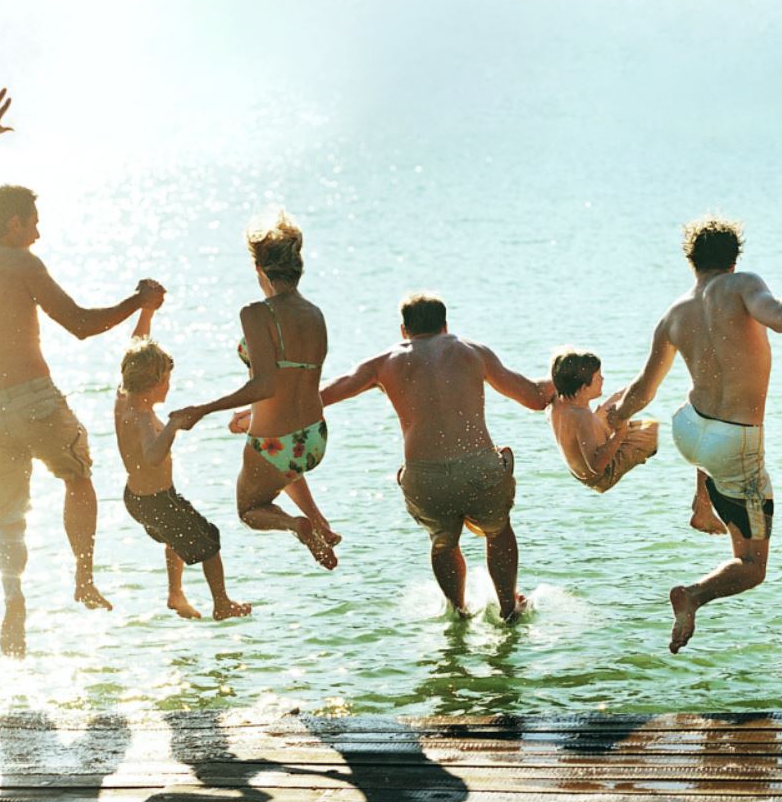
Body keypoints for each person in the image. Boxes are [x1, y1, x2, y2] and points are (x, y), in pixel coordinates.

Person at [0, 86, 164, 656]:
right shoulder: (21, 262)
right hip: (35, 399)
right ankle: (83, 576)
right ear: (13, 224)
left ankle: (13, 600)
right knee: (77, 476)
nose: (38, 233)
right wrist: (137, 303)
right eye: (33, 223)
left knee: (8, 519)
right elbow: (80, 325)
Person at [609, 215, 782, 653]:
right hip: (734, 443)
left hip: (688, 429)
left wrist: (616, 417)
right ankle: (692, 596)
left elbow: (642, 391)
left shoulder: (673, 314)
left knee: (707, 435)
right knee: (752, 566)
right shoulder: (741, 285)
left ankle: (703, 503)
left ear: (691, 261)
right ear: (734, 259)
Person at [319, 292, 553, 622]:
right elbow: (534, 397)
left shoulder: (383, 362)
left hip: (425, 477)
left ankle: (459, 610)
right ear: (445, 325)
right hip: (478, 468)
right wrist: (565, 377)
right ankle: (507, 606)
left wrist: (259, 414)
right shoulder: (472, 352)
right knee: (498, 531)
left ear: (404, 330)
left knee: (443, 541)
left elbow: (321, 397)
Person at [169, 211, 336, 569]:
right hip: (313, 438)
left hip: (277, 442)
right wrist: (250, 415)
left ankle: (297, 525)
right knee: (278, 463)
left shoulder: (257, 313)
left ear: (259, 268)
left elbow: (265, 384)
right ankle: (319, 521)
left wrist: (202, 409)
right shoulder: (315, 314)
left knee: (249, 509)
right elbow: (292, 381)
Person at [115, 302, 250, 621]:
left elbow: (132, 349)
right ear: (154, 383)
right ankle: (222, 604)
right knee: (209, 540)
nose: (169, 385)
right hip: (156, 500)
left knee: (174, 535)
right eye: (167, 379)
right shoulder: (142, 418)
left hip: (137, 499)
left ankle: (175, 593)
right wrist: (173, 426)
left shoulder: (123, 400)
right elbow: (152, 456)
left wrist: (147, 313)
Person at [548, 349, 659, 492]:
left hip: (581, 467)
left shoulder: (561, 403)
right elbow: (596, 466)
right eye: (598, 377)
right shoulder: (582, 417)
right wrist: (620, 432)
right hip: (601, 476)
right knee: (654, 430)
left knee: (618, 398)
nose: (603, 379)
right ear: (584, 387)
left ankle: (648, 381)